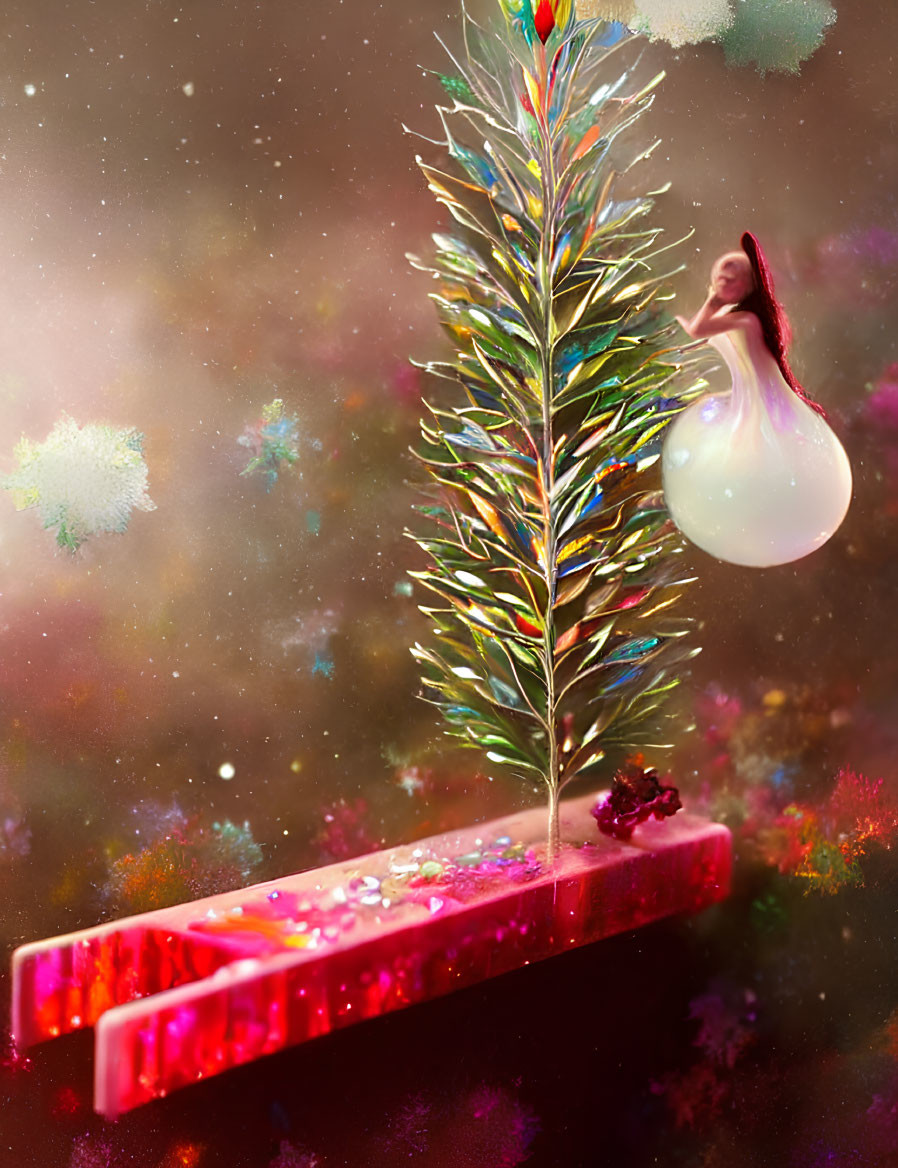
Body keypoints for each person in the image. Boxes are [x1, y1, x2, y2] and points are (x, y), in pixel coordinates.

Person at [661, 232, 852, 568]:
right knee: (737, 454)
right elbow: (696, 332)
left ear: (749, 285)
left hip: (762, 401)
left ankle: (761, 511)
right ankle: (738, 509)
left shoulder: (748, 320)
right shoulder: (742, 316)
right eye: (719, 275)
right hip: (746, 397)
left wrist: (713, 301)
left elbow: (698, 329)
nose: (722, 282)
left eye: (732, 278)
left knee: (756, 453)